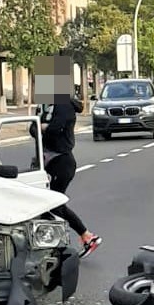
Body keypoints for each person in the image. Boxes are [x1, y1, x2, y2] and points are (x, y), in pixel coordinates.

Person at [40, 91, 101, 257]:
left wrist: (43, 127)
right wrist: (41, 127)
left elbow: (54, 129)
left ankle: (74, 241)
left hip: (62, 162)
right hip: (48, 161)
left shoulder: (63, 105)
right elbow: (34, 128)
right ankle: (84, 237)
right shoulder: (47, 105)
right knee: (49, 203)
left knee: (53, 204)